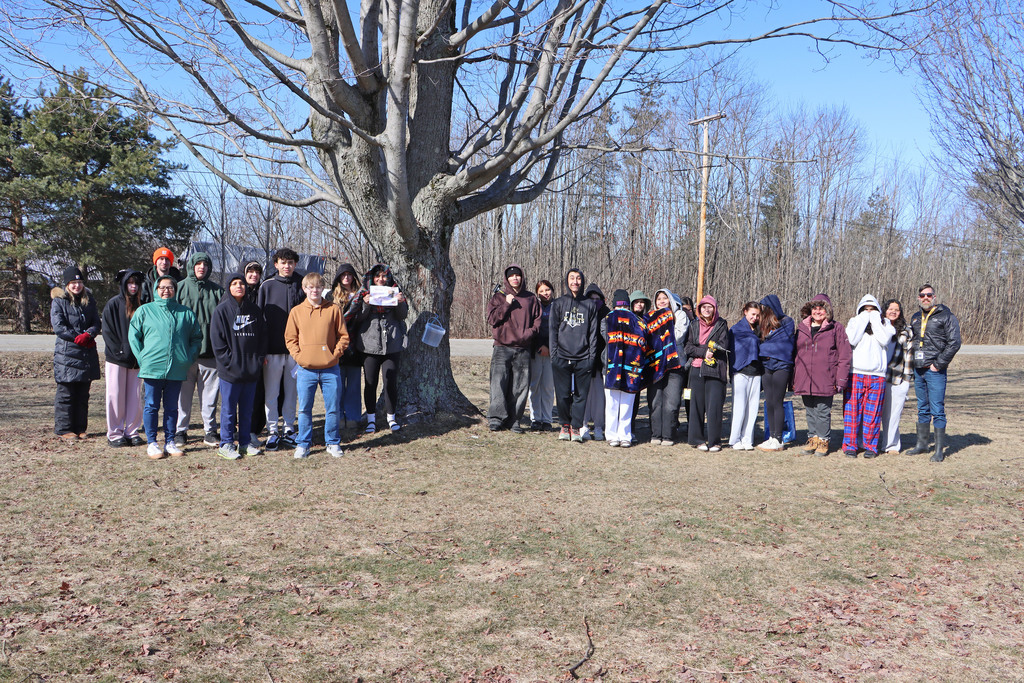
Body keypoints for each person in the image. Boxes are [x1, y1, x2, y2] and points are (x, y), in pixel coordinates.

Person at [128, 276, 202, 459]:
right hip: (152, 367)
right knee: (151, 406)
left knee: (172, 407)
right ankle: (152, 442)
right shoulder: (145, 310)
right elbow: (134, 335)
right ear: (156, 289)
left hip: (176, 368)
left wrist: (187, 358)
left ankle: (170, 441)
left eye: (170, 287)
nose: (166, 291)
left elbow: (196, 338)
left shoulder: (185, 313)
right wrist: (142, 357)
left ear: (175, 290)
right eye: (162, 287)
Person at [285, 272, 349, 459]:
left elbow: (343, 336)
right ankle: (303, 444)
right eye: (311, 287)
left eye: (318, 287)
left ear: (323, 288)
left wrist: (334, 355)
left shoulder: (333, 309)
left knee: (333, 408)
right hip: (306, 369)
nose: (315, 290)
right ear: (304, 289)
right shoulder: (296, 312)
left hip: (331, 369)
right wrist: (300, 357)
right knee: (304, 409)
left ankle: (333, 442)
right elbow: (290, 339)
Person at [211, 273, 268, 459]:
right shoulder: (221, 311)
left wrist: (257, 361)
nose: (239, 286)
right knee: (228, 410)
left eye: (241, 283)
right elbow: (217, 343)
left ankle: (244, 443)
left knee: (246, 410)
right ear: (228, 287)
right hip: (230, 371)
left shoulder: (255, 311)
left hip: (250, 371)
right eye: (234, 283)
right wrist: (229, 362)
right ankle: (226, 444)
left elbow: (262, 338)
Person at [907, 284, 962, 462]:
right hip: (919, 369)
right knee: (922, 408)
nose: (926, 298)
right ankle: (922, 445)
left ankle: (939, 451)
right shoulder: (915, 317)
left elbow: (954, 343)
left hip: (935, 370)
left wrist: (938, 364)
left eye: (929, 295)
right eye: (922, 295)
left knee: (937, 409)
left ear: (934, 297)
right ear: (918, 298)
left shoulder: (946, 316)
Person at [350, 264, 408, 433]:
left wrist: (400, 302)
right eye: (377, 276)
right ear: (372, 278)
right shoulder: (364, 293)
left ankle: (391, 418)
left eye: (384, 276)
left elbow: (402, 315)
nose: (381, 279)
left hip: (392, 343)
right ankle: (371, 420)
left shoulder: (395, 291)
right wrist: (366, 304)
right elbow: (358, 318)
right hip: (369, 344)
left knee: (390, 382)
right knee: (370, 383)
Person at [175, 251, 224, 448]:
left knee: (210, 397)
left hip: (210, 353)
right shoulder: (179, 288)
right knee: (183, 397)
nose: (201, 267)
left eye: (205, 264)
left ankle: (210, 431)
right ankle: (180, 431)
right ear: (191, 266)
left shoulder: (218, 291)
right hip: (185, 354)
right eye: (198, 264)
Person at [792, 294, 852, 456]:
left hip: (826, 377)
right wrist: (794, 377)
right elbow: (795, 354)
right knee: (810, 410)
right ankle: (813, 439)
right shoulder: (802, 328)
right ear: (810, 310)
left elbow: (844, 355)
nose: (818, 311)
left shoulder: (836, 328)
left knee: (822, 411)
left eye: (821, 309)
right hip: (804, 377)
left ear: (828, 311)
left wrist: (841, 379)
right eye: (815, 308)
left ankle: (823, 440)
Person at [258, 248, 306, 449]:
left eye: (290, 262)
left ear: (295, 264)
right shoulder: (267, 285)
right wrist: (262, 351)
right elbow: (259, 320)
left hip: (295, 352)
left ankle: (289, 428)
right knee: (271, 393)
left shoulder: (302, 284)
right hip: (272, 351)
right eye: (283, 262)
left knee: (291, 392)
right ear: (276, 264)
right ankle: (272, 431)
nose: (287, 266)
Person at [486, 264, 542, 433]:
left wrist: (527, 335)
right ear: (507, 279)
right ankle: (496, 418)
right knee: (498, 384)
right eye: (511, 276)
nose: (515, 278)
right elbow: (492, 319)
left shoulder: (531, 298)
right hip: (502, 347)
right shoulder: (499, 297)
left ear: (522, 277)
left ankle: (514, 420)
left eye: (517, 275)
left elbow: (537, 322)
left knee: (520, 387)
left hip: (523, 348)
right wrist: (506, 304)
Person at [549, 268, 600, 442]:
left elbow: (593, 333)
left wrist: (591, 357)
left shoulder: (589, 305)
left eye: (578, 278)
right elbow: (553, 331)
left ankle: (576, 427)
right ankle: (565, 425)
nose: (575, 281)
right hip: (561, 357)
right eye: (572, 278)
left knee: (580, 396)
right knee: (563, 394)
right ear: (567, 281)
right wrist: (554, 356)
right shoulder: (558, 303)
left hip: (583, 358)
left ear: (582, 281)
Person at [51, 266, 101, 440]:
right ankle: (64, 429)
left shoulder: (89, 300)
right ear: (67, 284)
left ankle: (80, 428)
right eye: (73, 282)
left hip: (86, 353)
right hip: (67, 355)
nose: (77, 286)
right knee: (66, 394)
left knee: (82, 394)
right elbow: (59, 327)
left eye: (79, 282)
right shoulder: (59, 301)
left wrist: (89, 334)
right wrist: (77, 337)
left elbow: (96, 322)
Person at [843, 294, 895, 458]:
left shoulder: (885, 324)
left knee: (872, 414)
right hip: (855, 373)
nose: (869, 312)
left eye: (872, 309)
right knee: (852, 413)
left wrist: (875, 320)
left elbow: (884, 340)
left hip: (877, 375)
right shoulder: (854, 322)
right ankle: (850, 445)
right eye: (865, 309)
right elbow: (852, 339)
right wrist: (864, 318)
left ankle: (870, 446)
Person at [101, 269, 145, 447]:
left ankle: (132, 431)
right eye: (130, 283)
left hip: (137, 360)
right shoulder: (112, 304)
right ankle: (115, 433)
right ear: (124, 284)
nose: (133, 286)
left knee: (135, 397)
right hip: (116, 359)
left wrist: (142, 352)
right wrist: (119, 351)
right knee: (115, 396)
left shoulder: (142, 305)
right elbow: (107, 332)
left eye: (136, 283)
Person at [601, 289, 648, 448]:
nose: (621, 310)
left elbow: (643, 339)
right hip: (611, 367)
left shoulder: (637, 321)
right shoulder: (607, 319)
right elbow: (604, 335)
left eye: (624, 307)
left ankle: (625, 434)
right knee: (612, 402)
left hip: (631, 367)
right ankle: (612, 434)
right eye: (619, 307)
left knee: (626, 402)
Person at [684, 295, 729, 452]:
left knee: (714, 407)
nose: (707, 309)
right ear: (699, 309)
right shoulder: (694, 325)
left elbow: (723, 344)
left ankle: (714, 441)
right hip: (696, 369)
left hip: (715, 369)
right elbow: (688, 347)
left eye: (710, 307)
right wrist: (704, 352)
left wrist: (709, 350)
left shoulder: (721, 324)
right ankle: (697, 439)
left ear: (715, 309)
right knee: (696, 406)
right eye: (704, 307)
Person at [326, 262, 364, 431]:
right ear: (338, 278)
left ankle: (354, 417)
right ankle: (339, 417)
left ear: (354, 277)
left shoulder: (361, 295)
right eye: (343, 275)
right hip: (337, 346)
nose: (346, 278)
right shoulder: (331, 296)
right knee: (337, 385)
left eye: (349, 274)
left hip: (356, 344)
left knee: (354, 385)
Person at [645, 289, 685, 446]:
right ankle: (656, 434)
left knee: (672, 402)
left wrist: (663, 330)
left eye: (665, 298)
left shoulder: (679, 315)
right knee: (655, 401)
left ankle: (668, 435)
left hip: (675, 364)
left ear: (670, 300)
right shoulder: (650, 317)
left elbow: (679, 336)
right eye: (658, 299)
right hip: (655, 365)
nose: (661, 301)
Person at [758, 295, 796, 451]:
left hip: (782, 366)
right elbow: (761, 346)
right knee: (769, 401)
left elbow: (785, 345)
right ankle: (771, 436)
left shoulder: (787, 322)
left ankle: (778, 438)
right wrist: (766, 349)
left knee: (778, 401)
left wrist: (766, 349)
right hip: (766, 366)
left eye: (763, 309)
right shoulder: (763, 326)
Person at [880, 298, 913, 455]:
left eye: (896, 309)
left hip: (897, 378)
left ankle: (891, 445)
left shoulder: (906, 331)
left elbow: (909, 355)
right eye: (890, 309)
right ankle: (867, 443)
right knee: (874, 413)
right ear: (884, 310)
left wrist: (906, 380)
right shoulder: (877, 328)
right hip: (877, 377)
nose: (893, 312)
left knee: (893, 414)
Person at [728, 302, 762, 451]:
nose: (755, 317)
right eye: (752, 314)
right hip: (741, 371)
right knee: (739, 408)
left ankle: (747, 439)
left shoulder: (760, 330)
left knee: (753, 409)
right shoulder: (735, 330)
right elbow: (732, 352)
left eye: (757, 315)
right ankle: (735, 439)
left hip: (756, 372)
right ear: (745, 312)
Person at [580, 284, 608, 441]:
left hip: (600, 362)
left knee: (599, 397)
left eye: (598, 299)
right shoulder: (582, 312)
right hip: (583, 360)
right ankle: (583, 424)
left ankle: (598, 426)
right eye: (591, 299)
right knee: (583, 394)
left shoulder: (607, 314)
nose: (595, 302)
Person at [243, 261, 266, 445]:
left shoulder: (262, 292)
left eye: (257, 272)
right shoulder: (235, 293)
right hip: (239, 352)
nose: (254, 275)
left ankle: (253, 429)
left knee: (258, 392)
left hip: (258, 352)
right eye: (250, 272)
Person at [527, 279, 556, 431]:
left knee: (548, 387)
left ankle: (547, 419)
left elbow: (560, 329)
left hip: (552, 352)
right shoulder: (534, 306)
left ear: (552, 290)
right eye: (541, 291)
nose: (545, 293)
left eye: (547, 290)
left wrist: (551, 347)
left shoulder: (558, 306)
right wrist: (540, 346)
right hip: (536, 352)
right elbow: (531, 328)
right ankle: (535, 419)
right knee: (535, 386)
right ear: (537, 294)